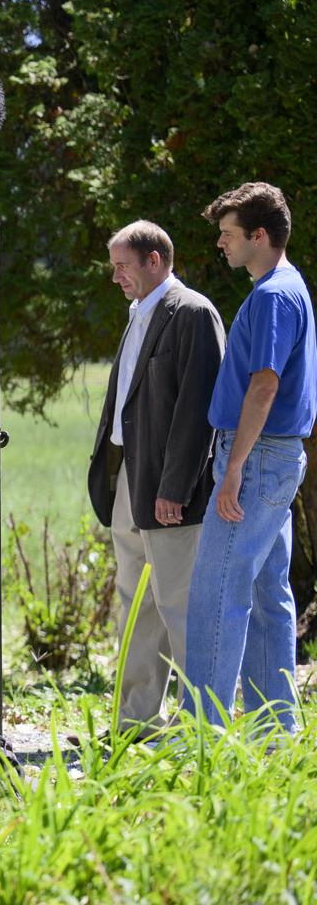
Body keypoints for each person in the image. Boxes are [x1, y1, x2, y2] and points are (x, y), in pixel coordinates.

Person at [183, 182, 316, 729]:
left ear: (259, 235)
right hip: (275, 459)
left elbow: (264, 385)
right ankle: (273, 734)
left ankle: (200, 737)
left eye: (229, 234)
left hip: (257, 458)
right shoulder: (289, 286)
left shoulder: (272, 296)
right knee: (267, 597)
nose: (220, 243)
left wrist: (233, 468)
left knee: (215, 592)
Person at [86, 221, 224, 727]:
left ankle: (201, 727)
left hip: (171, 489)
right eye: (114, 266)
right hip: (129, 482)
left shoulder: (193, 313)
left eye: (123, 266)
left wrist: (175, 488)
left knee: (180, 607)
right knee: (137, 603)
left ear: (155, 260)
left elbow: (198, 411)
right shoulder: (138, 313)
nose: (116, 277)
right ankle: (136, 722)